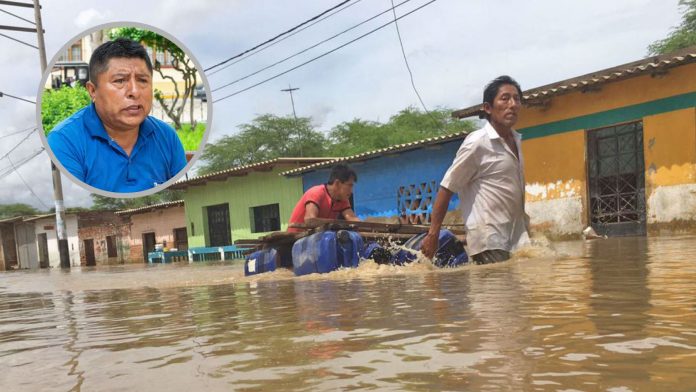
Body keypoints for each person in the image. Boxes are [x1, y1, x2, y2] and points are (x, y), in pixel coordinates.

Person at [47, 38, 187, 193]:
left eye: (142, 80)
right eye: (120, 81)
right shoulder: (65, 141)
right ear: (92, 90)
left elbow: (184, 193)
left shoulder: (166, 136)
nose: (134, 91)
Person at [421, 75, 530, 264]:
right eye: (505, 98)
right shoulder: (477, 143)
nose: (512, 104)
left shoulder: (516, 140)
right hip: (489, 239)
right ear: (488, 108)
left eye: (516, 99)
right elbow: (447, 188)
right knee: (498, 292)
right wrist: (433, 234)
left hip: (515, 238)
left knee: (517, 292)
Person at [288, 164, 361, 231]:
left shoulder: (342, 199)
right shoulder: (316, 193)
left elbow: (352, 219)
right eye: (349, 185)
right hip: (295, 240)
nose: (351, 191)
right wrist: (338, 224)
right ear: (337, 183)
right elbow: (309, 220)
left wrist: (368, 224)